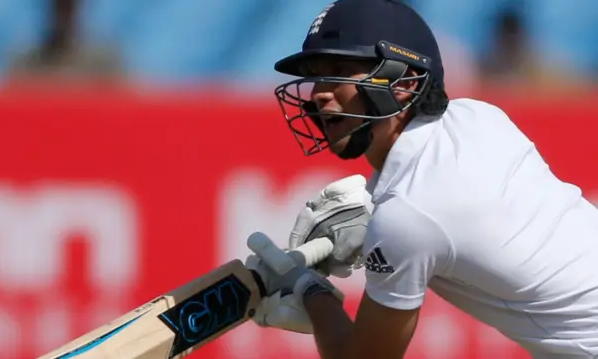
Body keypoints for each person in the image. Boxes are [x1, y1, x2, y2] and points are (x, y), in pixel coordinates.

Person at [243, 0, 598, 358]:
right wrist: (372, 223)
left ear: (403, 82)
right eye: (317, 74)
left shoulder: (408, 217)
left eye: (340, 70)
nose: (319, 91)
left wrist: (308, 290)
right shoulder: (478, 116)